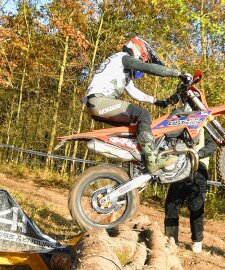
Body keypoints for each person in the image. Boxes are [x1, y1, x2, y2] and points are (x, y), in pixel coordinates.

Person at [84, 36, 192, 173]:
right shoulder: (124, 57)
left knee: (134, 128)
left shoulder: (120, 67)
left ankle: (137, 166)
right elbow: (148, 68)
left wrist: (156, 101)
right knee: (143, 115)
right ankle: (152, 160)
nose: (142, 61)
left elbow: (134, 91)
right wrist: (178, 74)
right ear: (138, 50)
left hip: (95, 103)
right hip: (99, 102)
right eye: (142, 58)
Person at [164, 131, 217, 253]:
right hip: (180, 168)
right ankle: (171, 240)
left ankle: (197, 241)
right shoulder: (180, 126)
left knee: (196, 206)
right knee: (171, 205)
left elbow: (212, 145)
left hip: (199, 167)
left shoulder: (205, 127)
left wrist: (198, 154)